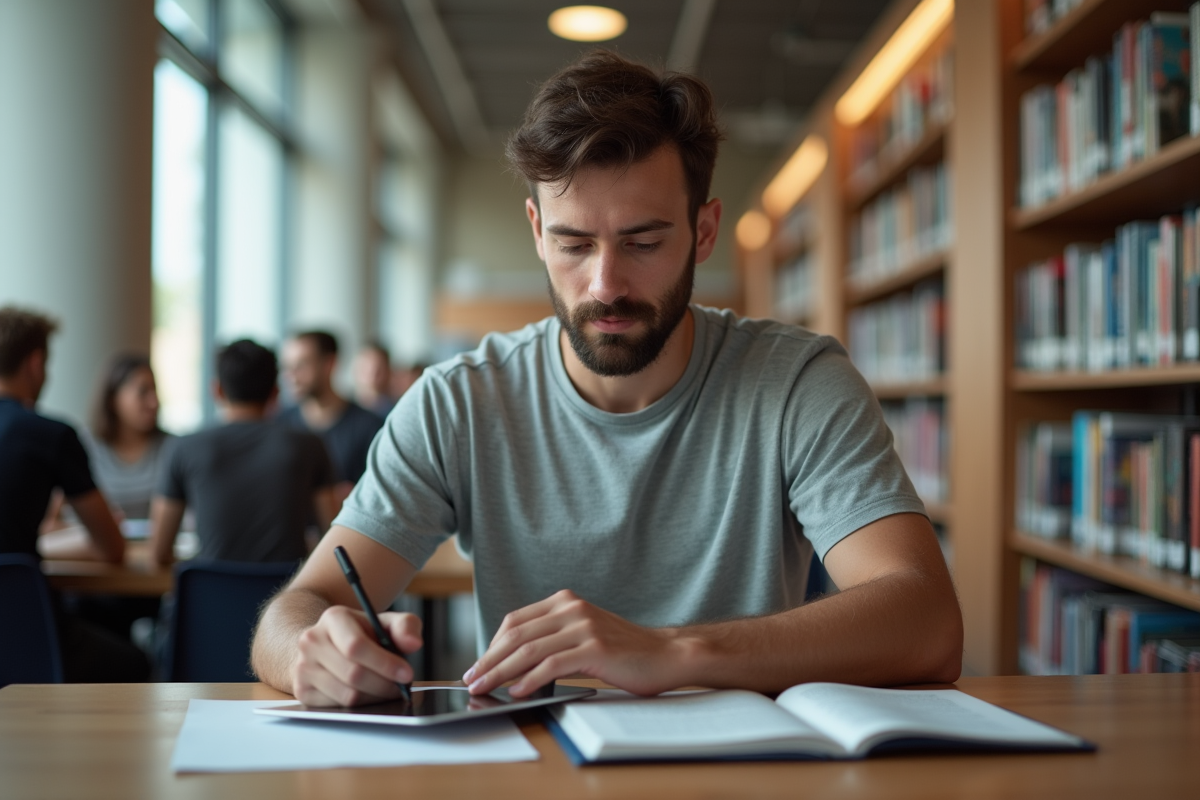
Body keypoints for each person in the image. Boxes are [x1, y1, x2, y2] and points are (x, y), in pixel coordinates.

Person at [252, 51, 962, 707]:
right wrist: (312, 652)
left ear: (704, 231)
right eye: (573, 243)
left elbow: (926, 620)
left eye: (643, 242)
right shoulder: (458, 402)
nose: (605, 284)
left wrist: (673, 651)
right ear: (536, 229)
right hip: (533, 772)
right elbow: (297, 610)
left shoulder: (799, 382)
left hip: (745, 771)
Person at [0, 306, 149, 682]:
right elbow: (112, 549)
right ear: (35, 364)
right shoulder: (50, 435)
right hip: (24, 628)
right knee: (135, 663)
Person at [149, 339, 339, 565]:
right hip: (286, 597)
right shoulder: (309, 446)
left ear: (217, 390)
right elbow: (332, 542)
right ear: (275, 393)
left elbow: (159, 554)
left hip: (211, 597)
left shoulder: (182, 448)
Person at [278, 331, 384, 503]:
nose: (291, 376)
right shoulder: (279, 424)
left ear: (330, 363)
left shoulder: (370, 427)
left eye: (301, 365)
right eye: (287, 367)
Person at [84, 354, 174, 522]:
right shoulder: (84, 446)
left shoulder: (172, 447)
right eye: (143, 392)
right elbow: (54, 519)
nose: (154, 402)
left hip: (157, 547)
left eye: (154, 390)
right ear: (113, 398)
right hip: (100, 547)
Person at [352, 340, 396, 418]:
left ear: (388, 371)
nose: (372, 375)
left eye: (379, 369)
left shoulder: (396, 413)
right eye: (365, 368)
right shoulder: (340, 411)